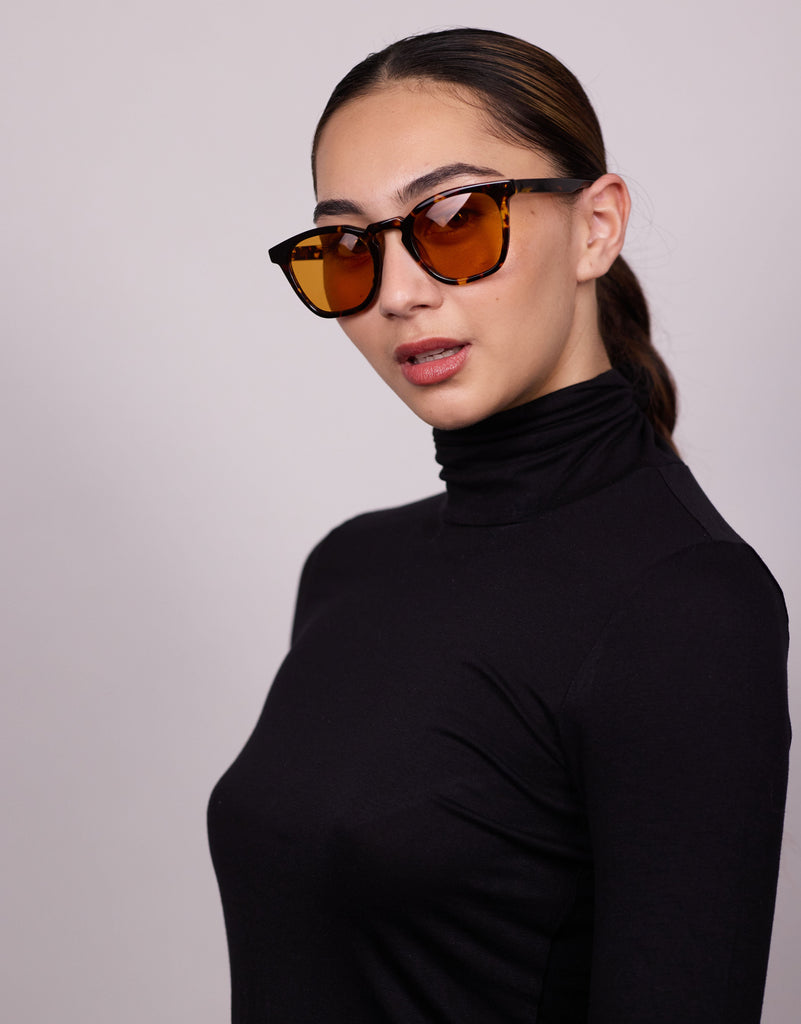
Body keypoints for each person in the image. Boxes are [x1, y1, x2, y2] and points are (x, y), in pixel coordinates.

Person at [208, 28, 790, 1023]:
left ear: (596, 226)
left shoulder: (687, 605)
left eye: (455, 220)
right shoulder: (349, 567)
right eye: (348, 246)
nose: (398, 294)